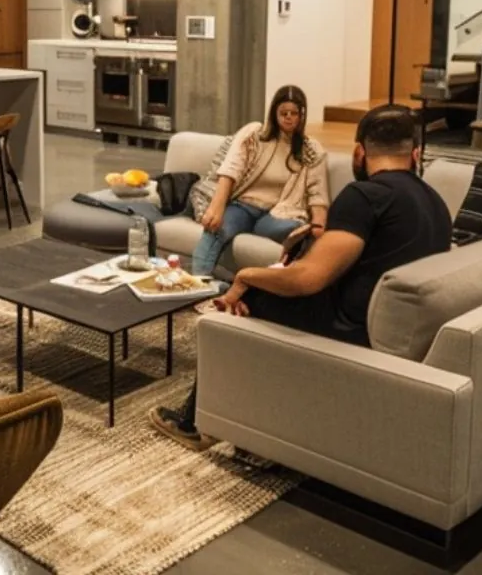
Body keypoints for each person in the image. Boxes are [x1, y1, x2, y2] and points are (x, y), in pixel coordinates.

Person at [151, 104, 453, 450]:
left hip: (355, 329)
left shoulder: (367, 195)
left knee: (249, 299)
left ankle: (197, 422)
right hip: (397, 328)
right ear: (415, 155)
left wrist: (246, 276)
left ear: (359, 153)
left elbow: (308, 279)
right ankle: (250, 413)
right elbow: (379, 254)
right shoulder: (435, 202)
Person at [191, 85, 329, 276]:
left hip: (278, 213)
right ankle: (197, 285)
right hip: (242, 207)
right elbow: (232, 168)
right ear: (274, 113)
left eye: (294, 113)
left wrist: (319, 225)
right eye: (283, 112)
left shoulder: (311, 149)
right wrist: (217, 207)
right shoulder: (254, 135)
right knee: (215, 230)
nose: (288, 117)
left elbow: (317, 192)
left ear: (301, 115)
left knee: (293, 228)